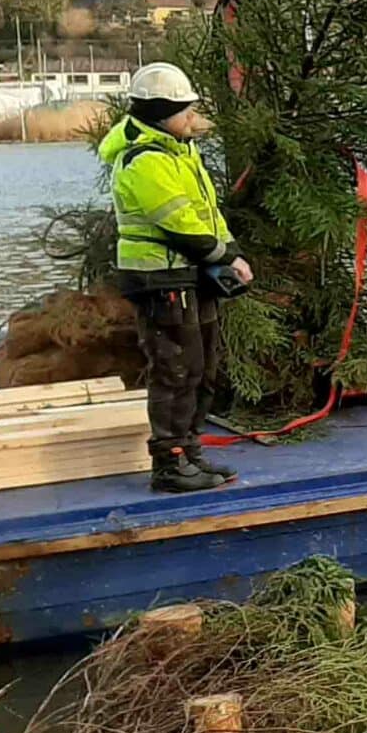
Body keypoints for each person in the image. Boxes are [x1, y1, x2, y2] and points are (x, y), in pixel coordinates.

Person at [103, 62, 251, 493]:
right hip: (159, 278)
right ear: (160, 112)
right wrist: (222, 255)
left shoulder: (180, 153)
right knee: (175, 369)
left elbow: (207, 213)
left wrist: (232, 253)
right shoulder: (145, 160)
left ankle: (191, 452)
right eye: (184, 109)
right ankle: (168, 462)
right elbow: (180, 222)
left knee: (203, 367)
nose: (193, 117)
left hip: (189, 274)